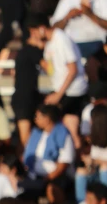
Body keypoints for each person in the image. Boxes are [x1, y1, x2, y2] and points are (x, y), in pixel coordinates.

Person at [27, 15, 89, 146]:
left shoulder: (61, 39)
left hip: (72, 91)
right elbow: (52, 67)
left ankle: (76, 161)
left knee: (70, 128)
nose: (33, 36)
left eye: (33, 32)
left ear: (42, 28)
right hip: (61, 89)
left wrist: (58, 95)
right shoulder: (51, 42)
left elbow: (73, 69)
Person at [21, 104, 74, 204]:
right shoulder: (36, 133)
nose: (35, 119)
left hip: (55, 177)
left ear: (47, 118)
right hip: (33, 174)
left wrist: (47, 178)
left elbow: (63, 164)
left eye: (38, 116)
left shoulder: (63, 134)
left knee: (52, 189)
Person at [77, 104, 107, 202]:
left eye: (91, 119)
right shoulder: (94, 136)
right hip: (97, 172)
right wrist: (89, 163)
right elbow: (94, 161)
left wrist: (95, 161)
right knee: (81, 172)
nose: (90, 122)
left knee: (105, 168)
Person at [13, 34, 46, 145]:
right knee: (25, 136)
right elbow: (48, 67)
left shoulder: (23, 52)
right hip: (25, 98)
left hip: (26, 96)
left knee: (26, 134)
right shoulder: (31, 50)